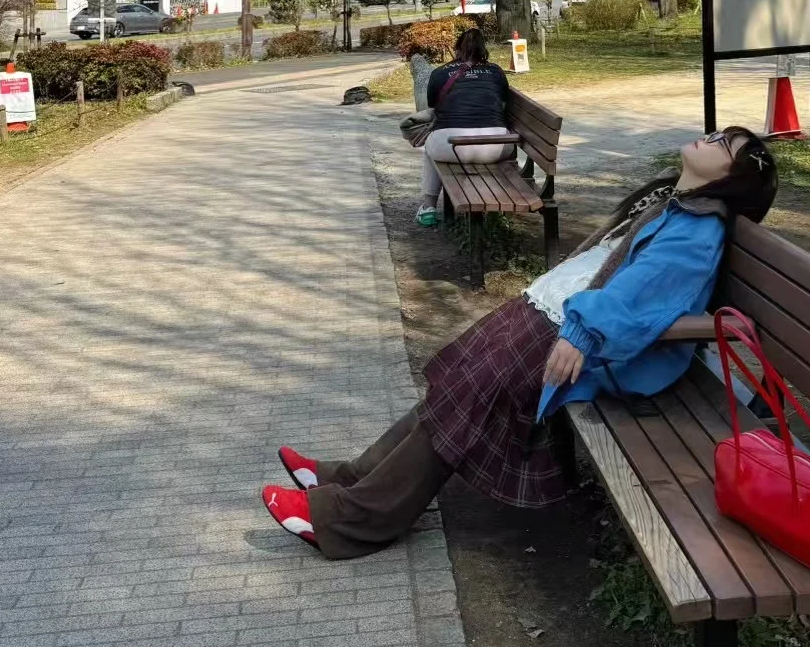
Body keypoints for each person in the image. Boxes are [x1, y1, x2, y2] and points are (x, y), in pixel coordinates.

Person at [261, 127, 778, 559]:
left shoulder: (695, 230)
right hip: (550, 311)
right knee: (457, 392)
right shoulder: (675, 202)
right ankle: (348, 477)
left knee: (467, 404)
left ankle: (347, 522)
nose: (709, 138)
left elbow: (638, 299)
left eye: (723, 145)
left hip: (576, 338)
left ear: (732, 178)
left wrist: (581, 333)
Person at [415, 27, 514, 228]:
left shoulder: (440, 73)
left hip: (451, 147)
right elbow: (502, 106)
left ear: (457, 48)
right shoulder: (495, 71)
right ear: (483, 49)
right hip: (495, 147)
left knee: (430, 147)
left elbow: (434, 107)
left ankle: (428, 208)